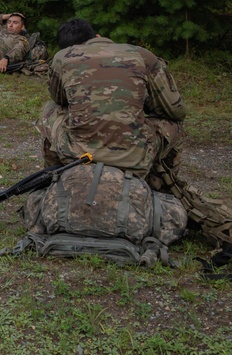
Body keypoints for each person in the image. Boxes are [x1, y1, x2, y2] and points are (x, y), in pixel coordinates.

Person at [37, 18, 232, 248]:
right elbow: (175, 109)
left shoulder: (62, 58)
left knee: (50, 109)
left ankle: (53, 177)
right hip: (136, 158)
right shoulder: (142, 55)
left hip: (77, 156)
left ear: (67, 47)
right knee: (174, 125)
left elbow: (60, 100)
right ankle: (158, 182)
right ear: (97, 36)